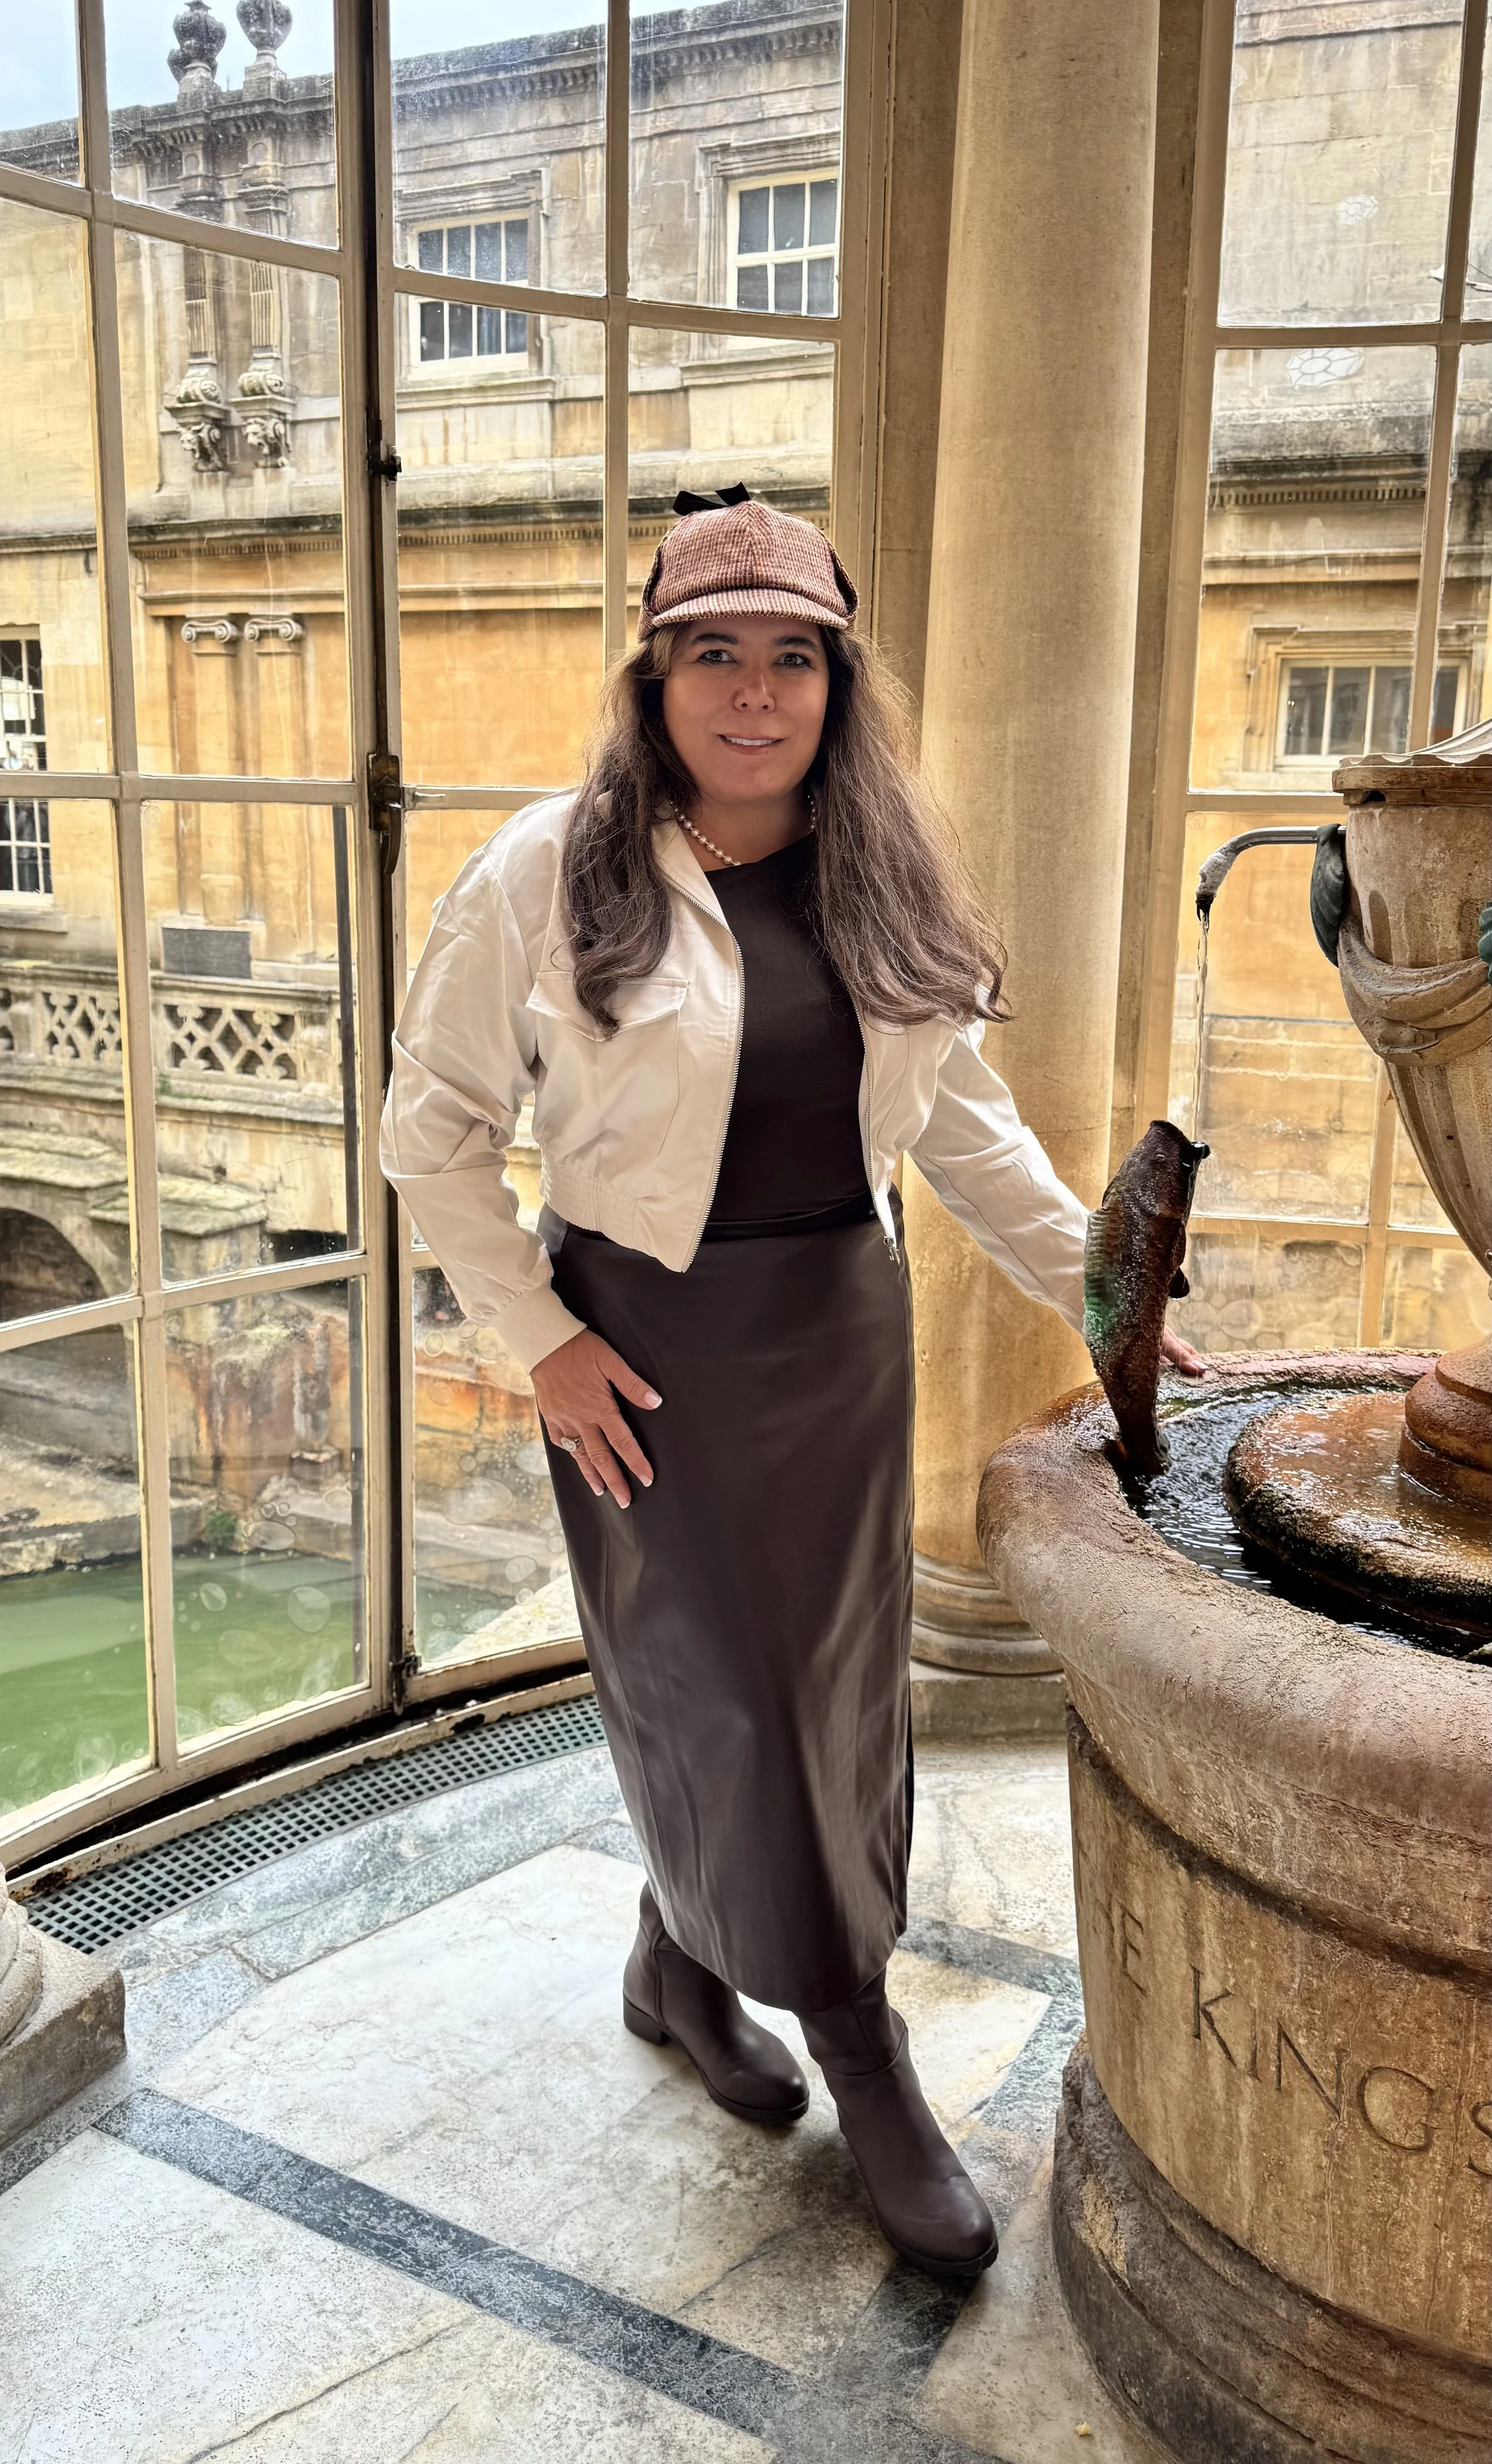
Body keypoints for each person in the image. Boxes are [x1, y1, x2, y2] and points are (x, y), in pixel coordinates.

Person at [381, 491, 1200, 2280]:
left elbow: (962, 1127)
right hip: (643, 1356)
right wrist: (544, 1336)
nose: (752, 691)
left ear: (836, 682)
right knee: (722, 1695)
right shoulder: (540, 869)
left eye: (791, 656)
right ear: (652, 677)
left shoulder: (881, 869)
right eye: (711, 653)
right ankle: (860, 2045)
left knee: (829, 1697)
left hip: (837, 1323)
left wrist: (1096, 1290)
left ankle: (681, 1959)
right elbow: (427, 1133)